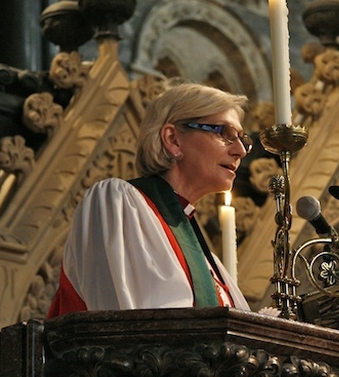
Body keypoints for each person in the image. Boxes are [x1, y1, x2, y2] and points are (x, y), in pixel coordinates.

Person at [47, 81, 253, 318]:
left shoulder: (207, 259)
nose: (241, 150)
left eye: (242, 139)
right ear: (173, 139)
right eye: (225, 133)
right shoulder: (117, 203)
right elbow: (140, 326)